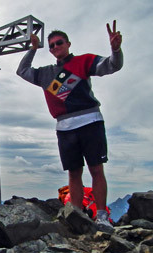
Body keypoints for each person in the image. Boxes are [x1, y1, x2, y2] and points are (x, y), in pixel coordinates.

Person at [16, 21, 123, 233]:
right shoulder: (46, 73)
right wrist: (32, 49)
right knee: (74, 173)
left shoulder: (84, 61)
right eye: (52, 46)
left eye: (59, 43)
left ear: (68, 43)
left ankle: (101, 217)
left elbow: (113, 65)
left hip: (90, 121)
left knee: (96, 169)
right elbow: (22, 70)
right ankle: (77, 216)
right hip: (64, 127)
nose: (56, 47)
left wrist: (116, 49)